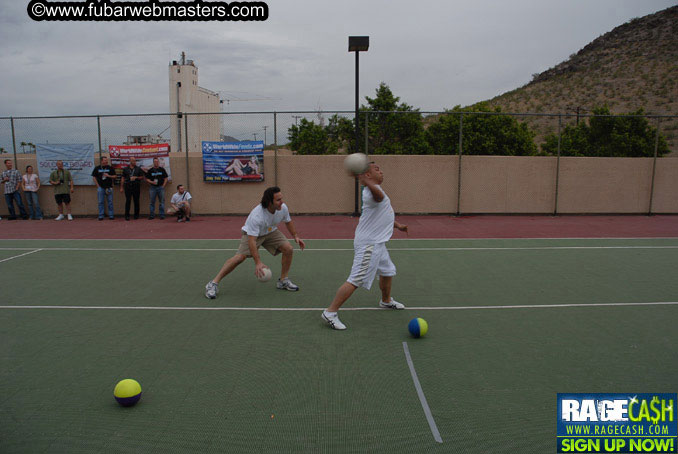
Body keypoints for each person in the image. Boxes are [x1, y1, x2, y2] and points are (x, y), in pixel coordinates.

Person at [322, 162, 409, 330]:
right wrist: (362, 179)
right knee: (356, 279)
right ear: (368, 175)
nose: (381, 171)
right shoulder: (371, 192)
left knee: (388, 270)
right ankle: (330, 312)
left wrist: (398, 226)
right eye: (377, 169)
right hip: (369, 245)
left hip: (378, 243)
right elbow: (379, 198)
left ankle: (386, 300)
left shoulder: (376, 189)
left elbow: (384, 214)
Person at [205, 186, 305, 299]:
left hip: (270, 231)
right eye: (278, 200)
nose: (282, 202)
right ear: (269, 202)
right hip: (252, 235)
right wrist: (258, 263)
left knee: (288, 249)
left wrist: (295, 236)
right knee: (239, 258)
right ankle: (213, 283)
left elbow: (288, 221)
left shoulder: (282, 207)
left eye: (281, 198)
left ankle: (283, 281)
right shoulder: (257, 216)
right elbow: (252, 241)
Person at [91, 156, 115, 220]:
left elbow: (115, 176)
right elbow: (94, 177)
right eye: (105, 160)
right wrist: (98, 186)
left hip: (109, 187)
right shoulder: (97, 168)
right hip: (101, 188)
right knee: (100, 202)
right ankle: (101, 215)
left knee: (110, 202)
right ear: (101, 161)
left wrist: (108, 175)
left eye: (107, 160)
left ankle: (111, 215)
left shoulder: (110, 168)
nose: (106, 161)